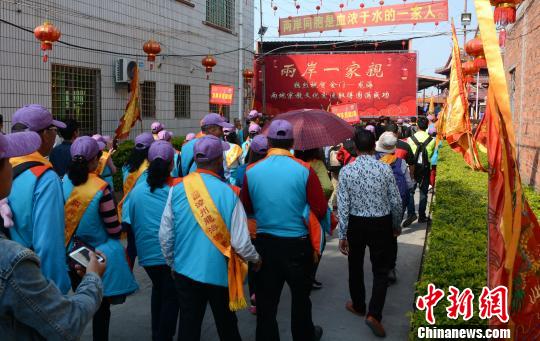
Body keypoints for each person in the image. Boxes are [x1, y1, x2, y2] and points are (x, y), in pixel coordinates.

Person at [1, 129, 107, 340]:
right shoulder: (12, 261)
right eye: (7, 160)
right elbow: (66, 321)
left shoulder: (61, 178)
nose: (13, 164)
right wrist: (93, 278)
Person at [160, 135, 261, 341]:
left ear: (197, 160)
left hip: (184, 271)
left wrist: (172, 262)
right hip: (219, 273)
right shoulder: (230, 193)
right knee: (227, 325)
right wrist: (255, 259)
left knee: (189, 324)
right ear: (218, 160)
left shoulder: (177, 189)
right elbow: (241, 243)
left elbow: (165, 234)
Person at [240, 119, 326, 341]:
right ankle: (304, 335)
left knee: (266, 304)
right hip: (298, 245)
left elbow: (246, 207)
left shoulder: (252, 170)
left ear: (268, 141)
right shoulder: (305, 169)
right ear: (291, 142)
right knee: (300, 299)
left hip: (265, 245)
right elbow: (320, 208)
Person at [63, 136, 138, 341]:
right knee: (100, 308)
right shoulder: (101, 187)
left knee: (80, 301)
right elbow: (113, 229)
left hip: (70, 254)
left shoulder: (62, 182)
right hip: (96, 257)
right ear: (95, 159)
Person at [337, 129, 402, 338]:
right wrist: (396, 224)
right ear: (374, 146)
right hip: (381, 223)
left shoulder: (347, 171)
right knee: (380, 270)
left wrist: (342, 234)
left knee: (355, 265)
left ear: (355, 148)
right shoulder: (384, 169)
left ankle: (358, 305)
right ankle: (374, 314)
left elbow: (343, 205)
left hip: (356, 223)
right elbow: (396, 201)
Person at [8, 104, 71, 294]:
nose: (55, 135)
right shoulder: (44, 177)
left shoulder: (6, 166)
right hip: (31, 285)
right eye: (53, 130)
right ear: (43, 135)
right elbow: (48, 245)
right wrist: (56, 294)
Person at [125, 141, 181, 341]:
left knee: (159, 291)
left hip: (147, 255)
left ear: (147, 162)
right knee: (171, 297)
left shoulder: (137, 191)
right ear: (172, 164)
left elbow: (131, 220)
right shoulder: (178, 189)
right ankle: (162, 336)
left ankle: (156, 333)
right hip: (171, 255)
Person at [374, 132, 414, 284]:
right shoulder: (400, 163)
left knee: (378, 239)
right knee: (392, 238)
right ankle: (391, 268)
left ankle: (380, 267)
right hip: (397, 207)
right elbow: (409, 185)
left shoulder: (373, 161)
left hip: (377, 208)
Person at [119, 132, 155, 266]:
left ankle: (127, 273)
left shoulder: (127, 165)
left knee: (131, 246)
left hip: (128, 212)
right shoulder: (149, 168)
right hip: (141, 213)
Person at [403, 116, 436, 226]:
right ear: (427, 126)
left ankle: (411, 213)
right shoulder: (432, 140)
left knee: (411, 192)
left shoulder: (410, 139)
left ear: (417, 125)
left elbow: (408, 155)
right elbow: (430, 155)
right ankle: (422, 216)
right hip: (425, 169)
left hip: (412, 169)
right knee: (423, 193)